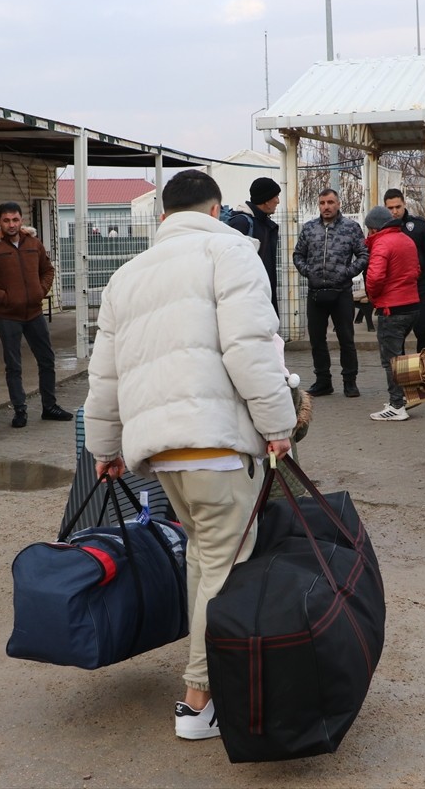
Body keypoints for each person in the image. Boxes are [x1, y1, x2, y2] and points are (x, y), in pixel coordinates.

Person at [83, 169, 295, 741]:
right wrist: (280, 425)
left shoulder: (125, 276)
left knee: (203, 559)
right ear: (217, 209)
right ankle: (200, 699)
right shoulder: (230, 253)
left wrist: (103, 448)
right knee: (223, 568)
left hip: (161, 452)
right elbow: (250, 348)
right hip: (216, 444)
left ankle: (203, 690)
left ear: (162, 217)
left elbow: (104, 374)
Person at [0, 201, 72, 429]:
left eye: (15, 219)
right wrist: (5, 298)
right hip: (8, 317)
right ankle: (20, 410)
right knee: (14, 365)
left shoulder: (33, 243)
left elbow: (48, 270)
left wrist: (40, 290)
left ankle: (50, 407)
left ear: (22, 220)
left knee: (47, 360)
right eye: (6, 220)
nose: (11, 224)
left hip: (35, 314)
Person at [292, 188, 369, 397]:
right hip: (316, 293)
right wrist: (309, 272)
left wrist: (346, 273)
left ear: (338, 204)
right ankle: (323, 381)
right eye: (322, 203)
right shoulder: (309, 229)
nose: (326, 206)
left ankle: (350, 381)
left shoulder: (351, 228)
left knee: (346, 338)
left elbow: (363, 255)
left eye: (330, 202)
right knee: (317, 339)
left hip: (341, 292)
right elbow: (298, 255)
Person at [362, 206, 421, 422]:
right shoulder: (406, 239)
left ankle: (397, 405)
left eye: (369, 229)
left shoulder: (382, 243)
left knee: (390, 360)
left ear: (375, 229)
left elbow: (375, 277)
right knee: (400, 357)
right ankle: (403, 398)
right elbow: (416, 271)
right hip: (412, 305)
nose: (368, 234)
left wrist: (374, 298)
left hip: (391, 308)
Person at [384, 189, 425, 352]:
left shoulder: (419, 226)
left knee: (424, 330)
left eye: (398, 206)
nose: (395, 211)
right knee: (396, 336)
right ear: (385, 208)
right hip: (394, 289)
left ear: (404, 204)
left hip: (419, 286)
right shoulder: (381, 229)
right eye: (390, 208)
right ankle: (399, 373)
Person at [225, 176, 281, 311]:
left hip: (263, 297)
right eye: (276, 196)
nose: (278, 201)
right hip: (248, 302)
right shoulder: (241, 223)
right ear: (266, 201)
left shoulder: (264, 224)